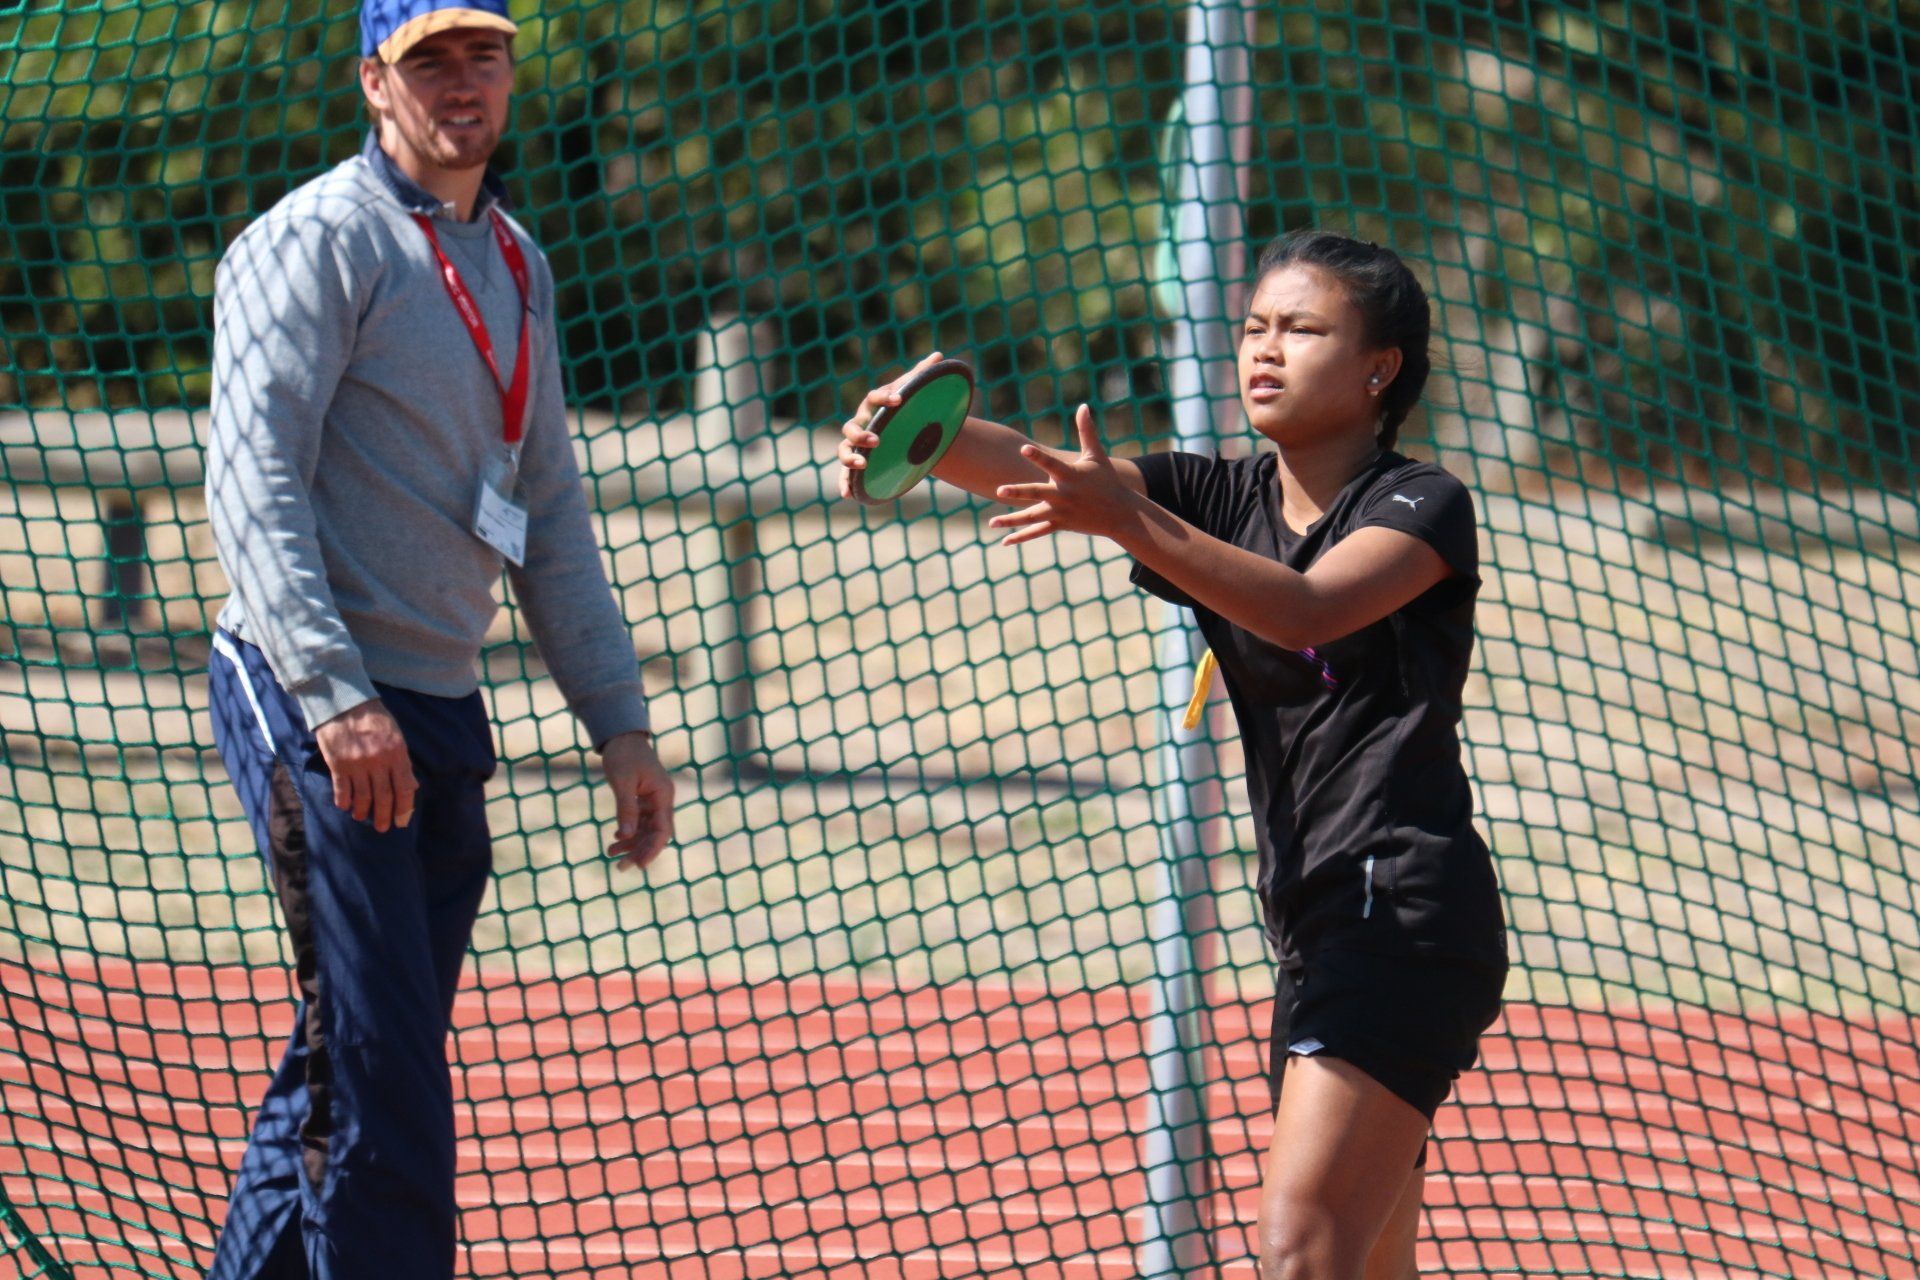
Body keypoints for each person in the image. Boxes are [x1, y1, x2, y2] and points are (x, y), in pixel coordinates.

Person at [838, 229, 1508, 1280]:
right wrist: (915, 431)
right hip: (1312, 920)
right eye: (1254, 327)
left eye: (1302, 328)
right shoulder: (1218, 494)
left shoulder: (1420, 503)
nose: (1265, 349)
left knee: (1298, 1242)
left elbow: (1306, 610)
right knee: (1366, 1261)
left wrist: (1130, 519)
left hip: (1404, 908)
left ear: (1381, 367)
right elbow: (1040, 470)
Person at [202, 1, 675, 1275]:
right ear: (374, 81)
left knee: (342, 1060)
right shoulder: (311, 240)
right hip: (318, 701)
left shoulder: (518, 258)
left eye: (484, 55)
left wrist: (620, 724)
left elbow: (555, 514)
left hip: (442, 706)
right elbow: (252, 482)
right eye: (428, 60)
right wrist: (331, 692)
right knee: (386, 1074)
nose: (461, 83)